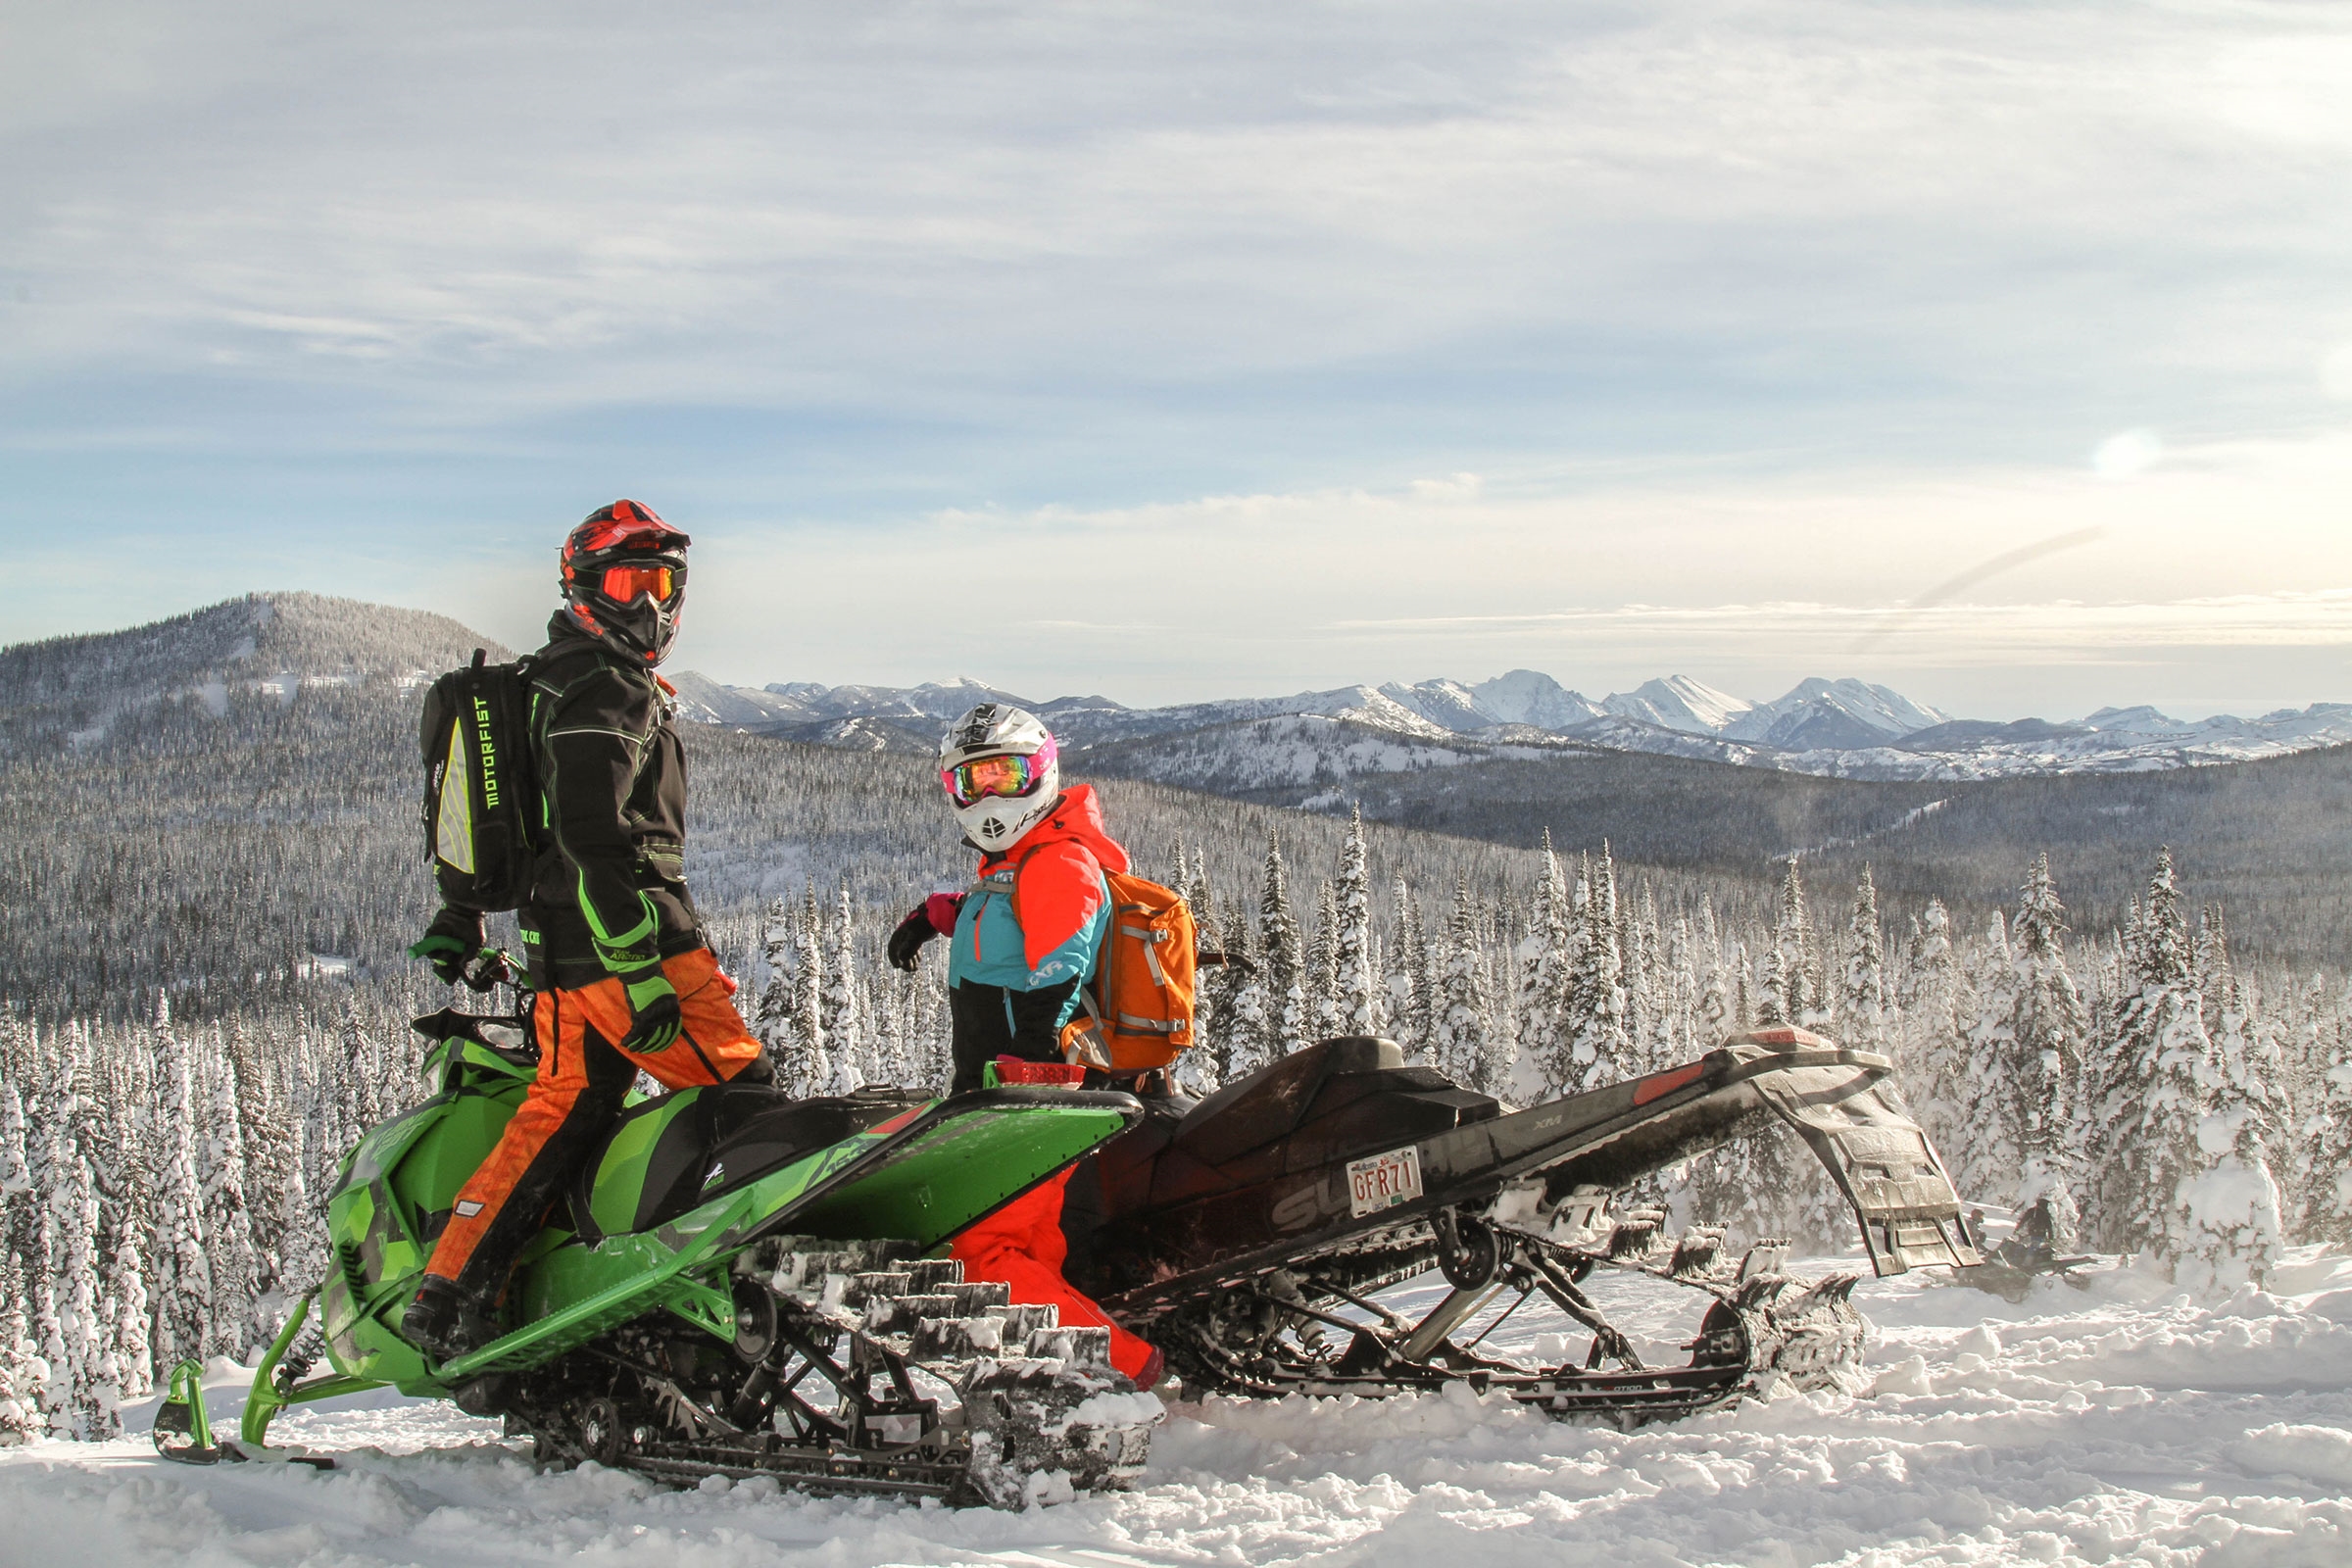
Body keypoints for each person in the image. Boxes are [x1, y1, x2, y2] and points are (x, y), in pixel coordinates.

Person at [403, 500, 772, 1358]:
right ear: (584, 586)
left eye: (663, 584)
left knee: (563, 1110)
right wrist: (638, 966)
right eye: (629, 582)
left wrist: (463, 911)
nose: (648, 604)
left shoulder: (547, 678)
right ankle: (735, 1286)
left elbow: (516, 816)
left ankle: (453, 1290)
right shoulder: (605, 684)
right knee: (746, 1102)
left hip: (564, 960)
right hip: (631, 947)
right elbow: (590, 834)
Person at [886, 703, 1161, 1386]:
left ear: (1039, 774)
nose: (988, 794)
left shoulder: (1059, 859)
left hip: (1030, 1088)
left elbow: (1061, 962)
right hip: (1013, 1086)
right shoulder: (1023, 859)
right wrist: (935, 916)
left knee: (981, 1253)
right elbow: (1005, 915)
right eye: (971, 780)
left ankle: (1125, 1373)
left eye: (1004, 775)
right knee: (1025, 1248)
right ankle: (1052, 1378)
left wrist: (1030, 1059)